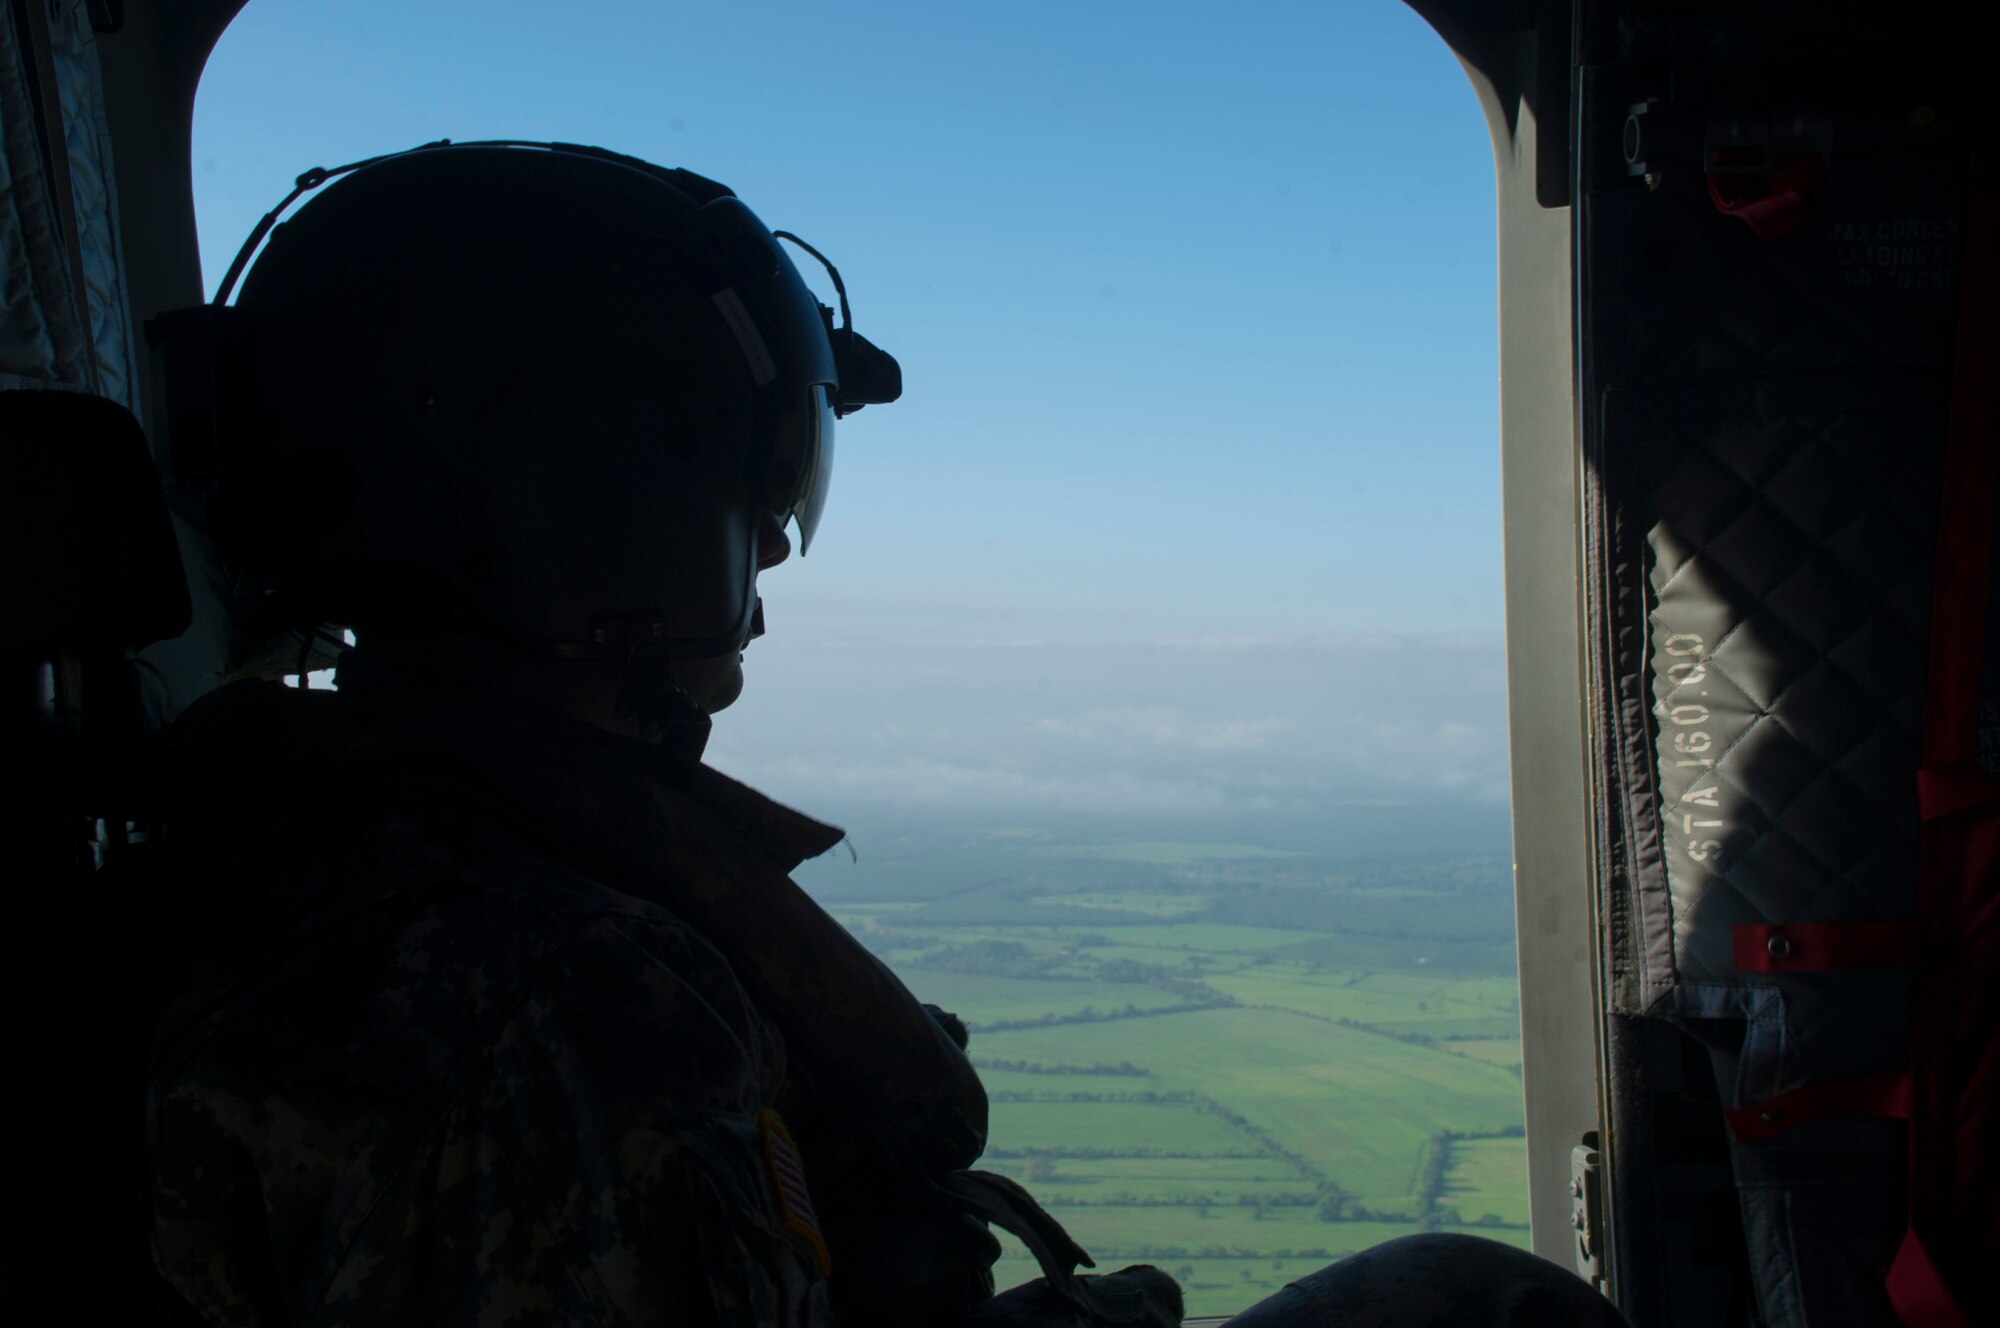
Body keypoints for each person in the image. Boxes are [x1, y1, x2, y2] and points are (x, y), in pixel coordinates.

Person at [137, 142, 1627, 1327]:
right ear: (608, 506)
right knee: (1492, 1307)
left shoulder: (324, 837)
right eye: (748, 490)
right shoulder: (561, 998)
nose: (771, 553)